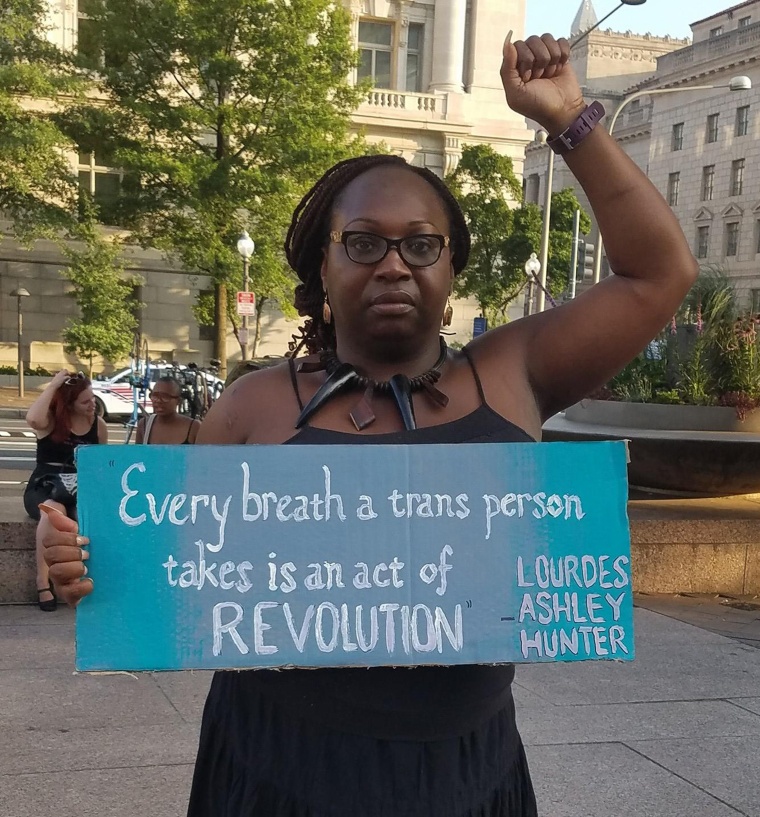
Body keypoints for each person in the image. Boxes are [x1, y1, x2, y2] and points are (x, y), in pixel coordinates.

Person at [43, 32, 698, 815]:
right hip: (277, 768)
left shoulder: (516, 370)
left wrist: (569, 118)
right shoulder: (253, 406)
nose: (394, 264)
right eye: (363, 243)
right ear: (323, 265)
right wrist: (81, 556)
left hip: (468, 768)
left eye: (422, 245)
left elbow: (660, 273)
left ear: (452, 267)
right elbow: (162, 568)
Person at [24, 370, 107, 611]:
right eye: (85, 401)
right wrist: (54, 385)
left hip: (79, 489)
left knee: (88, 513)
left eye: (93, 398)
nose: (92, 404)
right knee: (53, 510)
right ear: (69, 403)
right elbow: (32, 419)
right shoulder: (50, 420)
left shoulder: (98, 425)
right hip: (44, 486)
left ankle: (85, 578)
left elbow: (102, 464)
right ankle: (43, 580)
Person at [135, 375, 201, 445]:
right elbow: (138, 454)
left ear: (178, 401)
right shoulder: (144, 425)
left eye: (165, 397)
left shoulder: (194, 427)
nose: (159, 401)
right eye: (155, 396)